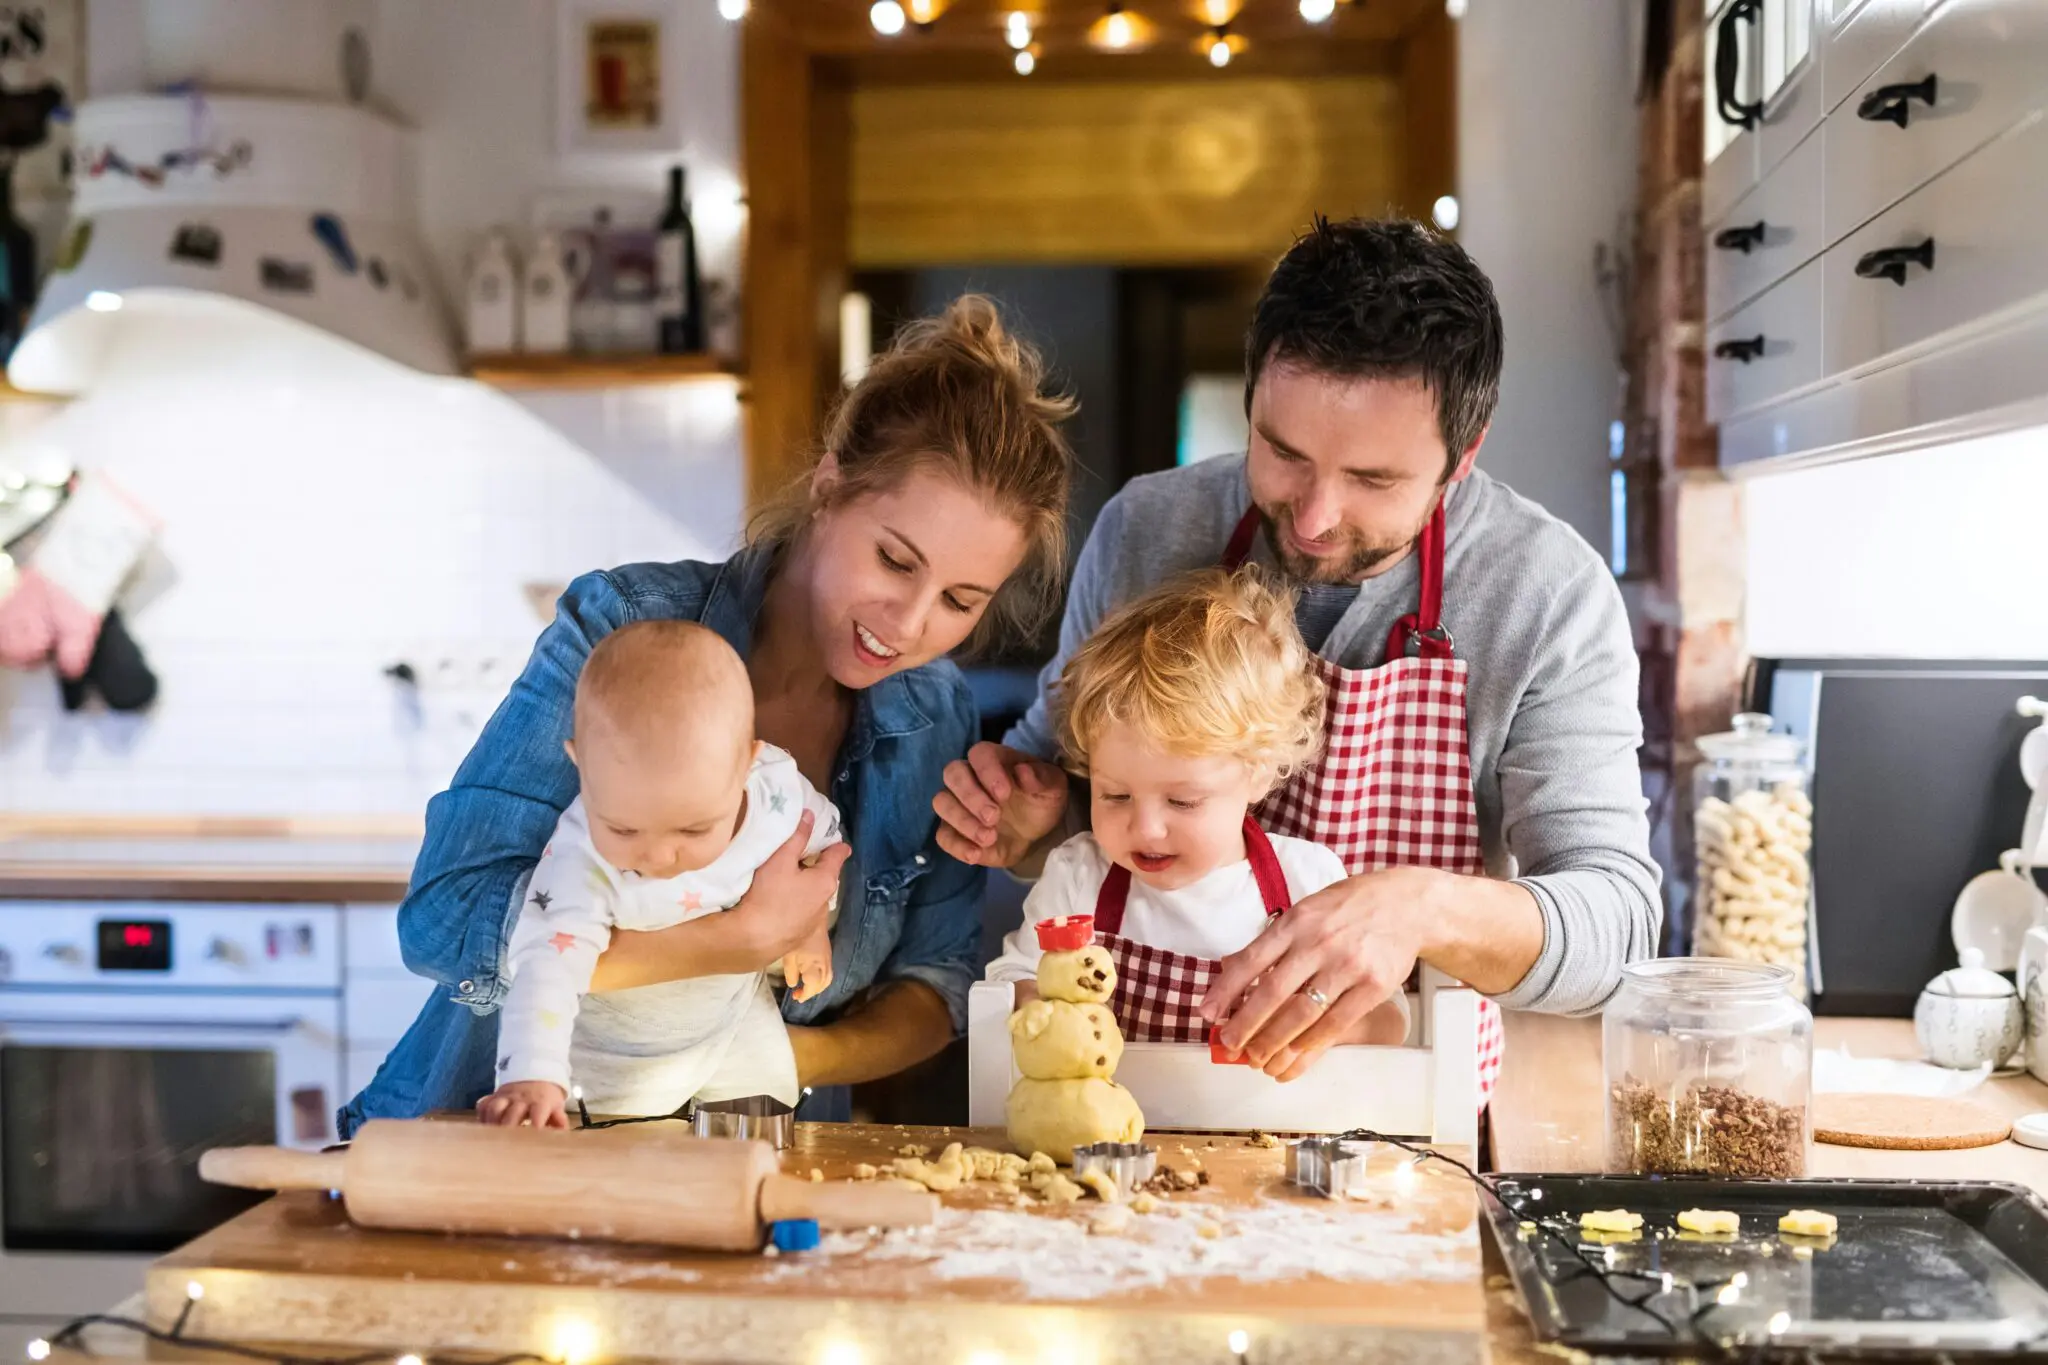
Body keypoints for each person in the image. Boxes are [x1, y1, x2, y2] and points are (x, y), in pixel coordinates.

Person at [935, 218, 1660, 1097]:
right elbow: (1066, 780)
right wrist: (1027, 812)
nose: (1314, 518)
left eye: (1374, 481)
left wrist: (1416, 906)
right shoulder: (1146, 530)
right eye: (1282, 453)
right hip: (1146, 1101)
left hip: (1392, 1111)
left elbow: (1618, 927)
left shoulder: (1546, 592)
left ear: (1462, 457)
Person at [340, 295, 1074, 1135]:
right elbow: (442, 919)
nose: (909, 623)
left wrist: (747, 1067)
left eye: (958, 599)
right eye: (894, 559)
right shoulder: (624, 627)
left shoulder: (933, 711)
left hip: (751, 1162)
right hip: (494, 1149)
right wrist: (734, 940)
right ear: (829, 487)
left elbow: (935, 989)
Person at [983, 567, 1409, 1048]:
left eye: (1183, 801)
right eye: (1115, 795)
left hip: (1270, 1121)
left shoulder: (1308, 882)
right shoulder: (1078, 876)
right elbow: (1011, 979)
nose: (1146, 829)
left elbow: (1387, 1017)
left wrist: (1323, 1027)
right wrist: (1043, 1007)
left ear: (1260, 772)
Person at [478, 621, 842, 1129]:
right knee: (624, 1167)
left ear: (747, 767)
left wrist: (810, 927)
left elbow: (824, 845)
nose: (658, 858)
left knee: (763, 1133)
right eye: (623, 828)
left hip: (736, 1021)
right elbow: (544, 967)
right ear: (581, 765)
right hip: (619, 1057)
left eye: (693, 829)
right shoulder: (580, 857)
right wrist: (532, 1075)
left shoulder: (776, 793)